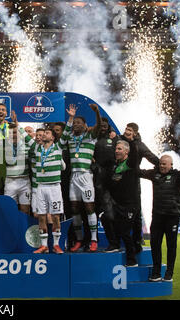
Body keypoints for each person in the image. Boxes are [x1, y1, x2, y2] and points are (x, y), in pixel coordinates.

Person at [140, 154, 180, 282]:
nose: (162, 166)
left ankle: (169, 273)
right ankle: (156, 272)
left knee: (171, 245)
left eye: (164, 164)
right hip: (157, 216)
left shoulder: (177, 175)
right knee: (155, 244)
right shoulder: (155, 174)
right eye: (160, 163)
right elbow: (140, 172)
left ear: (171, 165)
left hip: (172, 217)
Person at [61, 103, 101, 252]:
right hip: (73, 178)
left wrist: (96, 112)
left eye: (79, 123)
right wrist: (70, 118)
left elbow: (97, 127)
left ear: (85, 126)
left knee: (90, 208)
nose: (76, 125)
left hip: (86, 176)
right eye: (74, 123)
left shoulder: (90, 136)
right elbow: (62, 140)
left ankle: (94, 240)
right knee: (75, 209)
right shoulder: (70, 137)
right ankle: (78, 240)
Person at [121, 122, 159, 253]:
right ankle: (118, 242)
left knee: (136, 214)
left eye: (130, 130)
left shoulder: (139, 145)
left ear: (135, 133)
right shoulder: (119, 140)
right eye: (126, 129)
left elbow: (153, 158)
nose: (127, 131)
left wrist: (158, 169)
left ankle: (137, 241)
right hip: (117, 181)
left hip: (133, 182)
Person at [31, 127, 65, 254]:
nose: (43, 135)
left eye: (47, 133)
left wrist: (71, 118)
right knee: (41, 217)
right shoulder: (37, 148)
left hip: (54, 187)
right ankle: (44, 246)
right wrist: (17, 124)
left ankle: (56, 245)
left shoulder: (58, 148)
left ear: (53, 137)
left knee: (56, 216)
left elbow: (65, 133)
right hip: (41, 187)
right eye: (43, 133)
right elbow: (28, 138)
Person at [106, 139, 139, 267]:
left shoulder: (130, 163)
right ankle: (114, 244)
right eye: (116, 148)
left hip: (130, 205)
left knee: (125, 232)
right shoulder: (115, 166)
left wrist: (131, 141)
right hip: (118, 205)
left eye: (119, 149)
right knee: (105, 217)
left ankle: (132, 260)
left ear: (127, 151)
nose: (116, 151)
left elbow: (135, 155)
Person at [93, 118, 119, 252]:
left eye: (105, 125)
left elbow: (125, 149)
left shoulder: (115, 138)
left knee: (109, 214)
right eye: (100, 125)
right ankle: (92, 242)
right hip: (92, 181)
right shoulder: (92, 138)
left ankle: (114, 243)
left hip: (110, 183)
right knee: (91, 214)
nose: (103, 127)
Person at [4, 112, 35, 215]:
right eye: (11, 133)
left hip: (24, 181)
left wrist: (18, 124)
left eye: (15, 132)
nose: (13, 135)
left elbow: (34, 144)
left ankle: (23, 231)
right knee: (9, 210)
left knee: (25, 211)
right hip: (9, 182)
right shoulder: (2, 146)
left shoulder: (27, 145)